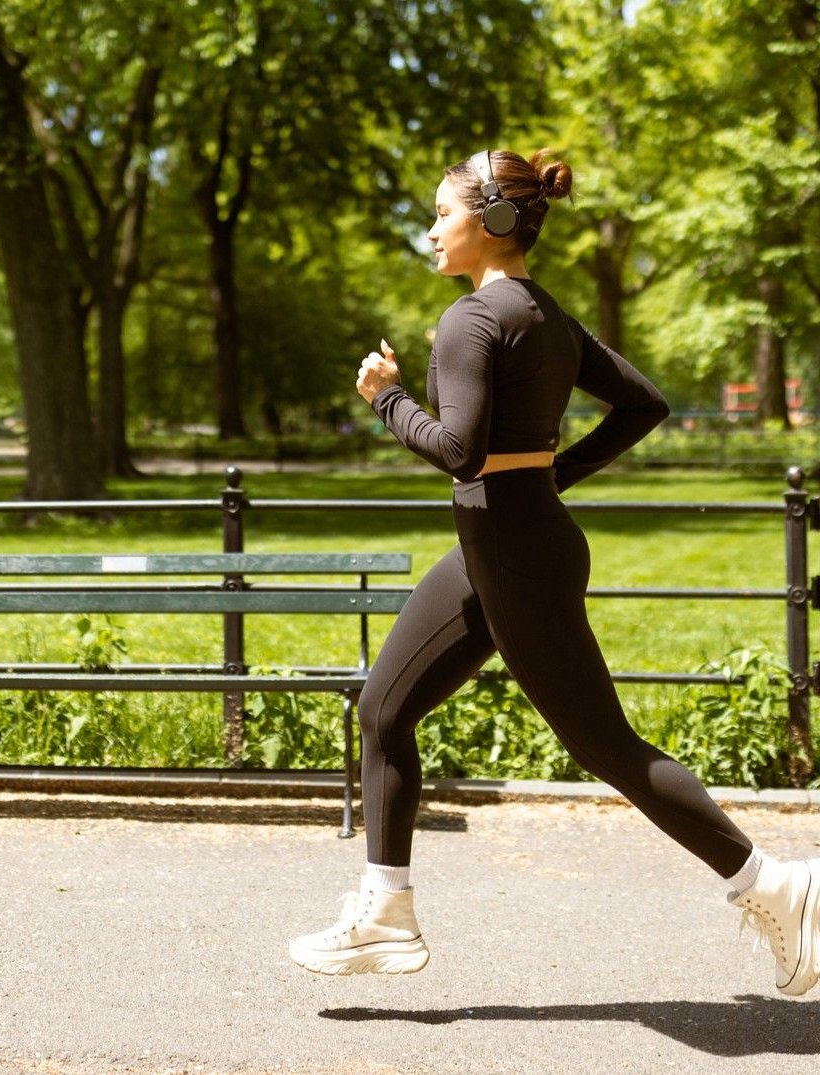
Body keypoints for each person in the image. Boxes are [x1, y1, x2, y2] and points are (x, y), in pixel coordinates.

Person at [288, 149, 820, 996]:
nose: (429, 229)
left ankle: (773, 885)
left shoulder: (471, 319)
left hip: (515, 552)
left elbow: (459, 452)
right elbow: (644, 405)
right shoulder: (544, 312)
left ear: (491, 220)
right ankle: (385, 909)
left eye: (441, 214)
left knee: (605, 745)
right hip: (506, 543)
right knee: (386, 706)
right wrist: (547, 476)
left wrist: (387, 396)